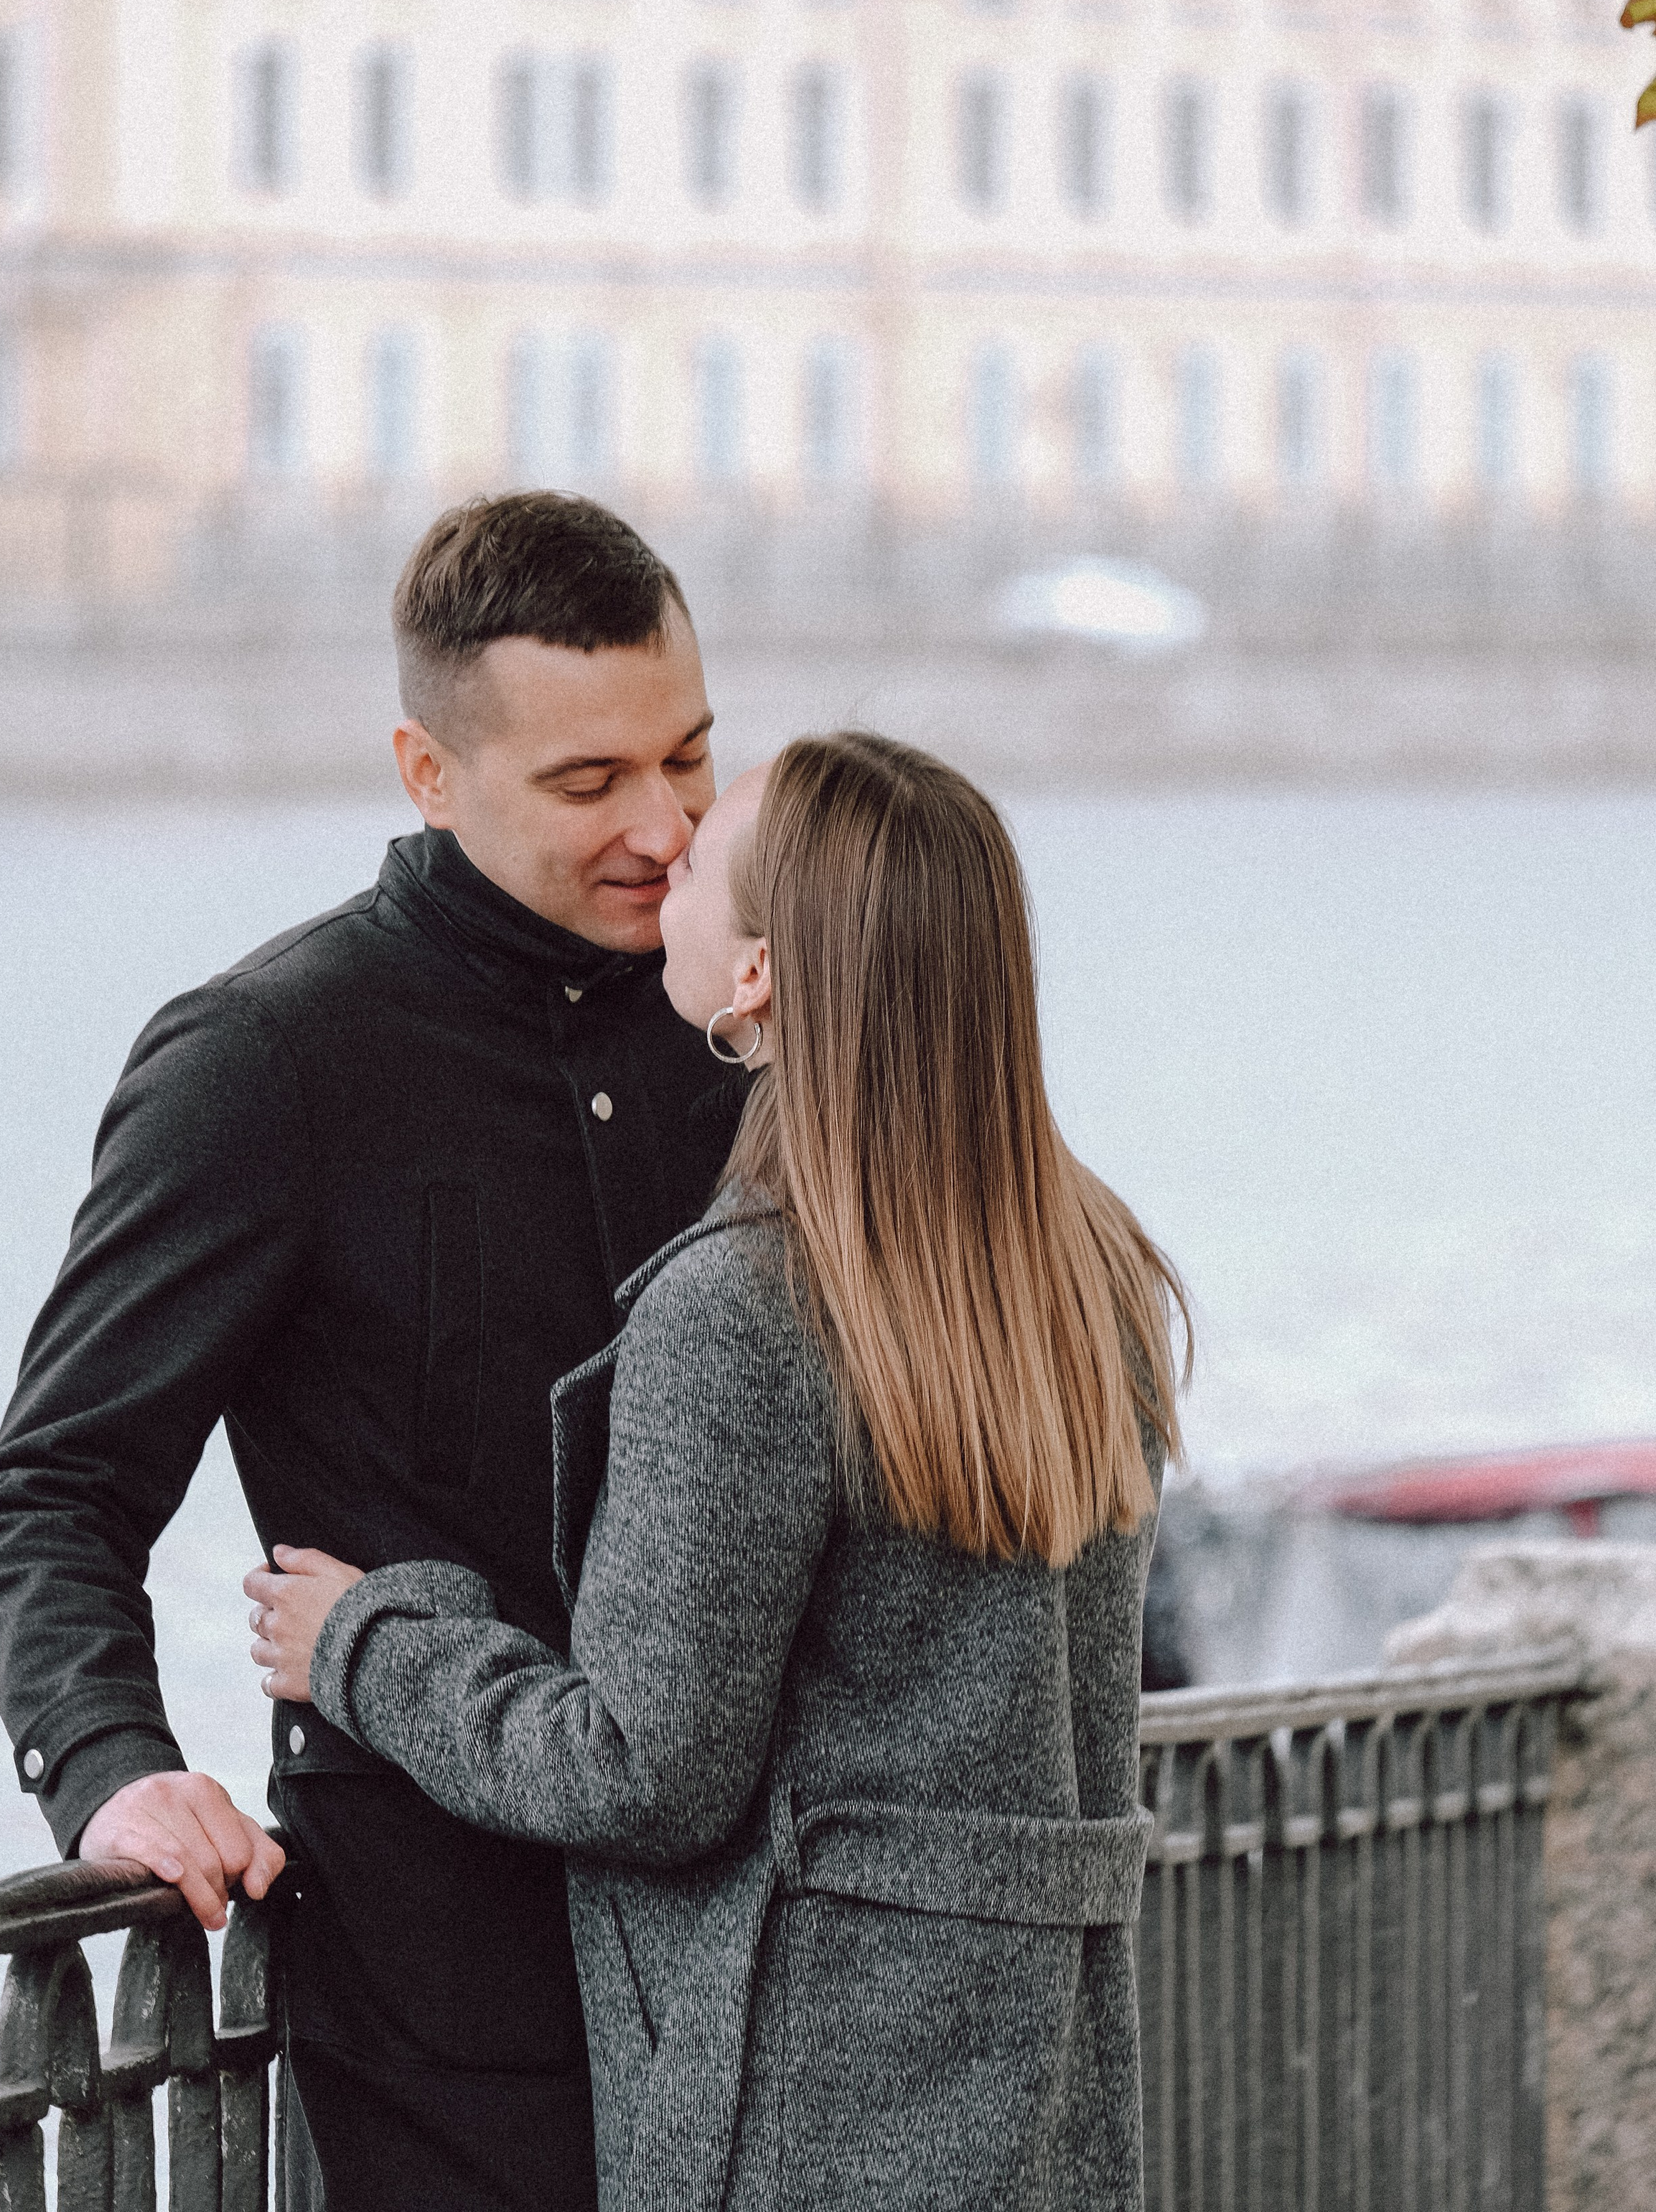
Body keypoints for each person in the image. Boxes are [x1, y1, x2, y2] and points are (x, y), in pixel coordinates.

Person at [248, 730, 1189, 2212]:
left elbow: (645, 1772)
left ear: (754, 975)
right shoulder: (1089, 1276)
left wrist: (367, 1646)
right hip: (1039, 2112)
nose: (658, 858)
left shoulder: (745, 1309)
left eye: (692, 865)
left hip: (804, 2124)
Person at [0, 493, 748, 2212]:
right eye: (587, 781)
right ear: (427, 770)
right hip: (444, 1998)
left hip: (768, 1969)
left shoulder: (755, 1020)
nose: (665, 822)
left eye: (687, 757)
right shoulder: (267, 1056)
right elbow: (54, 1489)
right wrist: (108, 1766)